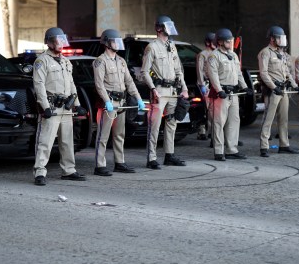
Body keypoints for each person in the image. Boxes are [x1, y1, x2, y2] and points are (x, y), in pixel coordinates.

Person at [31, 27, 87, 185]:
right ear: (49, 42)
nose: (61, 44)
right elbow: (39, 85)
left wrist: (77, 104)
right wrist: (45, 106)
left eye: (63, 40)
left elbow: (71, 84)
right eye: (58, 40)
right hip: (52, 107)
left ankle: (69, 170)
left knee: (67, 141)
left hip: (66, 107)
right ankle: (39, 172)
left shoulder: (65, 61)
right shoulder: (42, 61)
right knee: (45, 141)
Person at [92, 29, 145, 176]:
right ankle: (99, 165)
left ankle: (119, 162)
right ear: (107, 43)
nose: (117, 44)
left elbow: (129, 82)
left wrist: (139, 98)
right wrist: (107, 101)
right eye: (115, 41)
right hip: (108, 102)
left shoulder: (121, 61)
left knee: (119, 134)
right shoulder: (100, 61)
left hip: (121, 102)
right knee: (103, 136)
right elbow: (99, 84)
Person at [141, 15, 188, 169]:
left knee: (172, 123)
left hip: (173, 90)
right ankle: (151, 158)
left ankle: (169, 155)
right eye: (167, 26)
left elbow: (178, 70)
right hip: (159, 91)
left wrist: (184, 87)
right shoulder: (152, 47)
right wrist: (153, 89)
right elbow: (144, 72)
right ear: (159, 28)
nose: (170, 28)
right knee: (154, 125)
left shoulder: (171, 46)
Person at [206, 28, 251, 161]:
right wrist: (219, 90)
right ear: (220, 42)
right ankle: (219, 151)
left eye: (231, 40)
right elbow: (213, 75)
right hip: (221, 94)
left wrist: (245, 87)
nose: (230, 43)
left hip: (233, 94)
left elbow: (238, 73)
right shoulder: (214, 56)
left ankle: (232, 149)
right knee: (219, 122)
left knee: (234, 121)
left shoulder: (233, 55)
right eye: (228, 41)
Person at [258, 26, 299, 157]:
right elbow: (263, 73)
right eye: (279, 37)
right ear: (272, 39)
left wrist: (294, 85)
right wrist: (273, 87)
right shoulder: (266, 52)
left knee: (284, 119)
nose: (282, 40)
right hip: (273, 90)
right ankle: (264, 146)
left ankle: (284, 145)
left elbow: (286, 72)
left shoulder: (280, 53)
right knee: (268, 119)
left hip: (283, 90)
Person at [195, 32, 216, 141]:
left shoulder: (216, 53)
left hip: (215, 84)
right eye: (213, 41)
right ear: (208, 42)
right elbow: (199, 71)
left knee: (213, 110)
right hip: (206, 85)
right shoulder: (202, 54)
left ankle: (212, 133)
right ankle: (208, 133)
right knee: (209, 110)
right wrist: (202, 85)